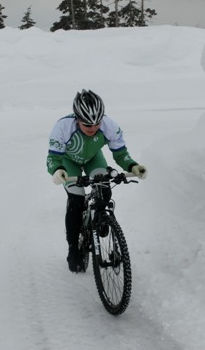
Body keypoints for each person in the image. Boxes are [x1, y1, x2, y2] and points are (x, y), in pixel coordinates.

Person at [47, 89, 147, 273]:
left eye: (96, 123)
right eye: (87, 124)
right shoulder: (62, 127)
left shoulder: (109, 125)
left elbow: (120, 153)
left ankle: (101, 219)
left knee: (104, 186)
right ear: (77, 119)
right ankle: (74, 249)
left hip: (93, 158)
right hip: (69, 162)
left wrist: (132, 166)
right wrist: (58, 170)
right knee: (76, 200)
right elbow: (54, 158)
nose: (93, 128)